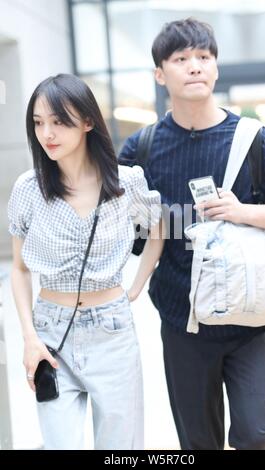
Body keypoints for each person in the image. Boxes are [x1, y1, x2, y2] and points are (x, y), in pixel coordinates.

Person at [119, 18, 265, 450]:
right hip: (182, 322)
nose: (195, 66)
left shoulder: (255, 140)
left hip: (248, 317)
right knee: (198, 443)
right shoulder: (142, 149)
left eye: (204, 57)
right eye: (181, 59)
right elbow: (125, 227)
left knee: (257, 436)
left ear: (216, 68)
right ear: (160, 75)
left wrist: (243, 212)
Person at [8, 73, 163, 450]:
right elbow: (20, 269)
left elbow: (158, 229)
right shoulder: (28, 189)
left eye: (59, 121)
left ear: (88, 122)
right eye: (39, 122)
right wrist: (29, 338)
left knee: (120, 448)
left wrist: (136, 285)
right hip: (51, 334)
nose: (48, 133)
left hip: (111, 331)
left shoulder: (126, 183)